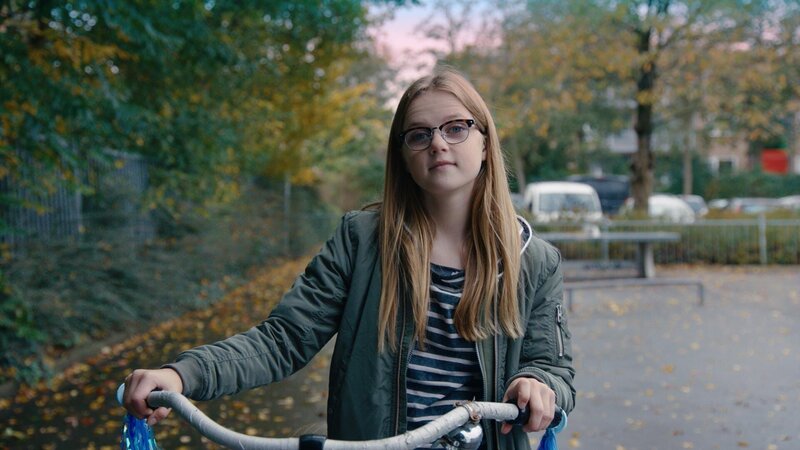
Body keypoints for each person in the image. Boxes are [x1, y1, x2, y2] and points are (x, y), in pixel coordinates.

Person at [122, 67, 575, 449]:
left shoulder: (536, 262)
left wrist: (539, 384)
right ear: (403, 156)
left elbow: (554, 370)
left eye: (456, 127)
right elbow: (283, 339)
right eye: (419, 134)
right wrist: (184, 374)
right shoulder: (362, 241)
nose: (438, 143)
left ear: (485, 141)